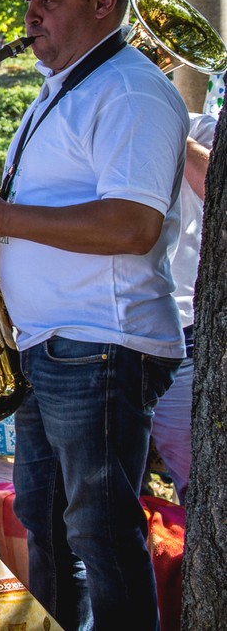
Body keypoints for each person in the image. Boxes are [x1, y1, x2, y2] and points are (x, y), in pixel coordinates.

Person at [0, 0, 188, 630]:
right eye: (28, 4)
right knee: (47, 526)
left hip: (99, 343)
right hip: (55, 343)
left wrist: (1, 216)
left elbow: (132, 225)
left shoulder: (132, 89)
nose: (30, 18)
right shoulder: (67, 87)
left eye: (49, 2)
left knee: (102, 538)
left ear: (104, 2)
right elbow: (66, 205)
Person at [149, 116, 214, 501]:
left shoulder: (198, 128)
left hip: (183, 334)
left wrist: (168, 123)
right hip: (107, 331)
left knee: (199, 486)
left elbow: (211, 183)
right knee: (107, 487)